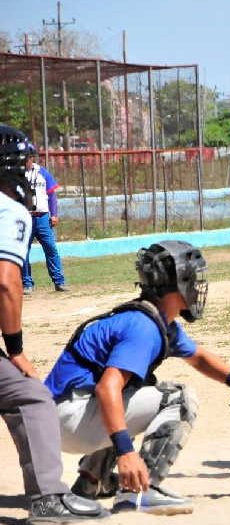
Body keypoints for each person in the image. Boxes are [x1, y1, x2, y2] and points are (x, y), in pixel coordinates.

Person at [43, 240, 230, 515]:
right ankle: (141, 492)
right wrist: (125, 453)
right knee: (178, 398)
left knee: (137, 389)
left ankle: (90, 482)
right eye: (193, 278)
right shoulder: (143, 327)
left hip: (56, 419)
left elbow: (199, 358)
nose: (197, 287)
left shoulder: (154, 319)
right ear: (178, 282)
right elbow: (107, 388)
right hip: (71, 417)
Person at [0, 124, 109, 523]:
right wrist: (16, 350)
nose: (30, 168)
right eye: (23, 162)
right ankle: (47, 498)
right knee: (29, 395)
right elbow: (7, 283)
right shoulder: (8, 208)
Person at [23, 145, 68, 294]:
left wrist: (54, 214)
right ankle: (27, 284)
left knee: (51, 249)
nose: (25, 160)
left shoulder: (43, 172)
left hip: (42, 218)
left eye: (28, 157)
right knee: (23, 252)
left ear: (32, 157)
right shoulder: (16, 174)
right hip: (25, 218)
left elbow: (52, 195)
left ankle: (59, 282)